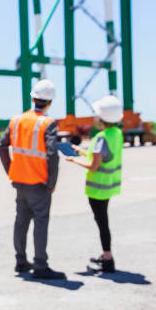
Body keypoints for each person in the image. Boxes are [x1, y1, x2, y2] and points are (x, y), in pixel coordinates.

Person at [0, 79, 66, 280]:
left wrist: (11, 170)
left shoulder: (16, 121)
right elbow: (52, 155)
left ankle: (20, 260)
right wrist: (51, 183)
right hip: (39, 182)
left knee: (21, 221)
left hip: (19, 181)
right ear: (50, 102)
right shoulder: (48, 123)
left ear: (33, 98)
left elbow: (1, 147)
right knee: (40, 223)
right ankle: (40, 265)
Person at [64, 95, 124, 273]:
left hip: (97, 188)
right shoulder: (117, 134)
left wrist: (73, 161)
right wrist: (80, 151)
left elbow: (94, 166)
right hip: (109, 185)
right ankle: (107, 255)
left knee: (102, 223)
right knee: (103, 221)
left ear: (101, 117)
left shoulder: (101, 137)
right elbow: (102, 157)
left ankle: (107, 259)